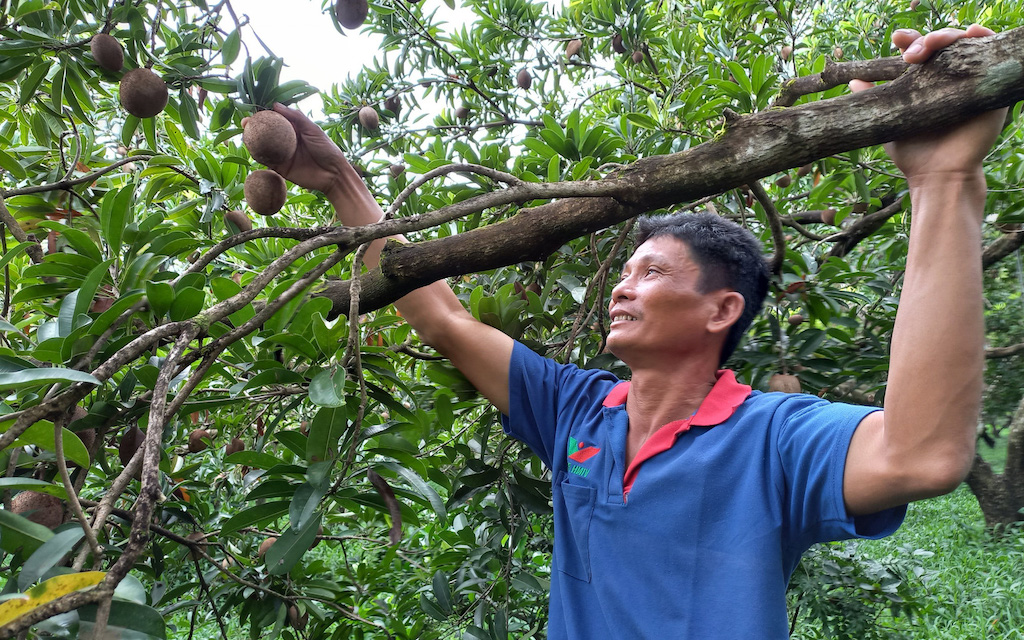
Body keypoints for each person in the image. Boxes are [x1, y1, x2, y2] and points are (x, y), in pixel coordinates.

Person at [247, 25, 1005, 638]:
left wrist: (942, 184)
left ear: (720, 311)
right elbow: (441, 317)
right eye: (625, 270)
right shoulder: (577, 412)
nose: (622, 285)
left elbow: (924, 453)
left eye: (652, 273)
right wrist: (342, 181)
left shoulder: (774, 438)